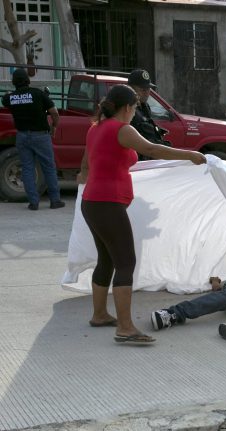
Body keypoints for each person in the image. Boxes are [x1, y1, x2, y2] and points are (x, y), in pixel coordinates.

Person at [77, 84, 206, 344]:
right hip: (107, 204)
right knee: (126, 262)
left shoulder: (96, 129)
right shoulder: (122, 129)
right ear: (127, 107)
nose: (136, 112)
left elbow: (86, 164)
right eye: (135, 107)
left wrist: (93, 179)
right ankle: (125, 328)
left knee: (107, 260)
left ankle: (100, 314)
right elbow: (154, 149)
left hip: (92, 202)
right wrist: (190, 155)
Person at [2, 68, 64, 210]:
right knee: (48, 167)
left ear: (13, 82)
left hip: (22, 136)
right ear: (27, 80)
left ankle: (33, 202)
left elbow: (5, 99)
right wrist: (54, 127)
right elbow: (54, 113)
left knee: (27, 168)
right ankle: (55, 201)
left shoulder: (10, 98)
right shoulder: (38, 94)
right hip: (41, 136)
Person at [127, 69, 170, 160]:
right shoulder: (126, 110)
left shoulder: (144, 107)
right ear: (131, 89)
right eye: (143, 90)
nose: (147, 93)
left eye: (148, 89)